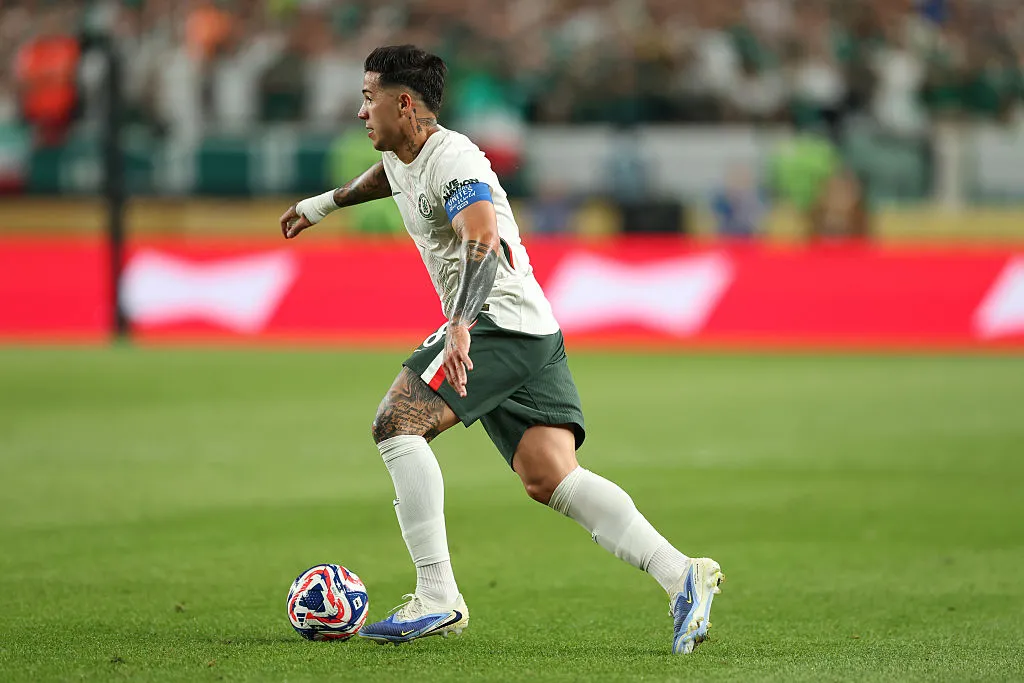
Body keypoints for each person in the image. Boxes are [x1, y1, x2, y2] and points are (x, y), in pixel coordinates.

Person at [278, 45, 724, 654]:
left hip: (495, 321)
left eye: (368, 97)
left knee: (396, 423)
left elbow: (482, 238)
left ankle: (437, 596)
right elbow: (389, 179)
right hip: (533, 328)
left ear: (403, 104)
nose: (360, 111)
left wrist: (460, 322)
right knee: (549, 475)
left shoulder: (456, 160)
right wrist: (322, 204)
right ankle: (682, 576)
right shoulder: (409, 157)